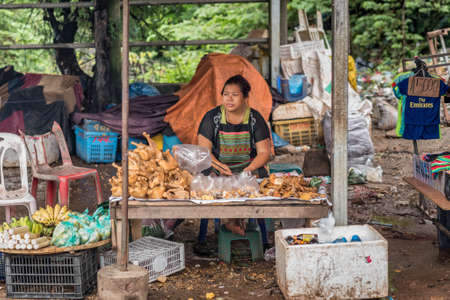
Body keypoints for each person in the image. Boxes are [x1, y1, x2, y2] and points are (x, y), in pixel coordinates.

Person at [197, 75, 271, 235]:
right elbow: (204, 152)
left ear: (245, 97)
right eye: (225, 94)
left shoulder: (254, 119)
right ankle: (233, 221)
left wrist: (247, 170)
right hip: (219, 169)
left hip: (250, 170)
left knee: (253, 187)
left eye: (235, 95)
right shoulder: (212, 118)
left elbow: (264, 153)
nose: (229, 99)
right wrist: (219, 167)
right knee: (209, 185)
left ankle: (237, 221)